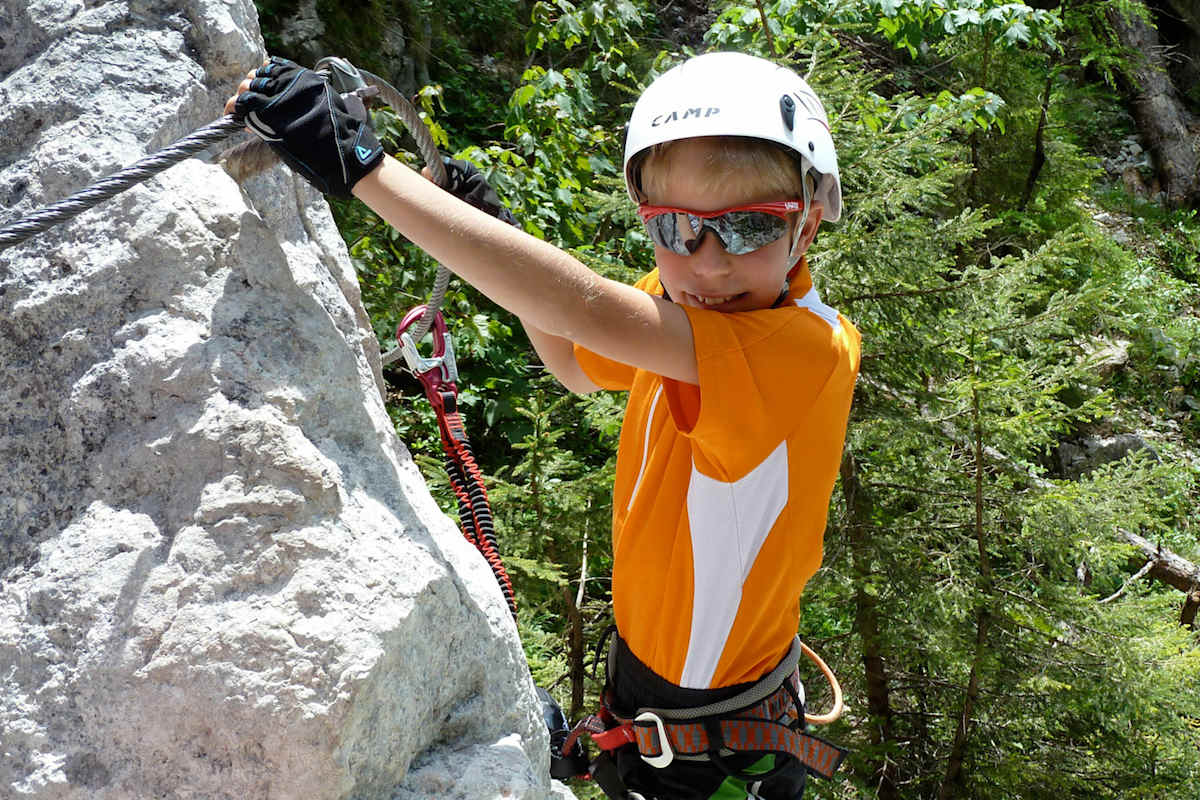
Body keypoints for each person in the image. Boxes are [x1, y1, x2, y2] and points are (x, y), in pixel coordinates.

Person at [228, 50, 860, 800]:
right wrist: (491, 226)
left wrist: (363, 167)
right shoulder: (698, 309)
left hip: (715, 740)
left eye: (750, 226)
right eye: (676, 226)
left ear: (810, 222)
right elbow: (576, 356)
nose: (708, 262)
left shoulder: (802, 354)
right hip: (666, 697)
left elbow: (585, 307)